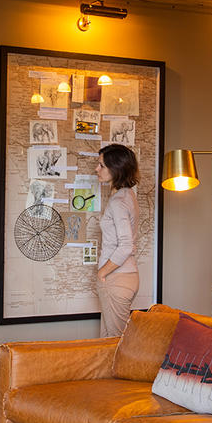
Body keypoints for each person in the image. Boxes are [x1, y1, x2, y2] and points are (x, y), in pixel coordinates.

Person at [95, 143, 139, 337]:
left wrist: (102, 272)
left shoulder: (118, 202)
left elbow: (126, 245)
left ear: (116, 169)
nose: (96, 169)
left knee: (114, 342)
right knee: (108, 341)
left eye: (102, 165)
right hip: (126, 276)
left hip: (117, 278)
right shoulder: (128, 195)